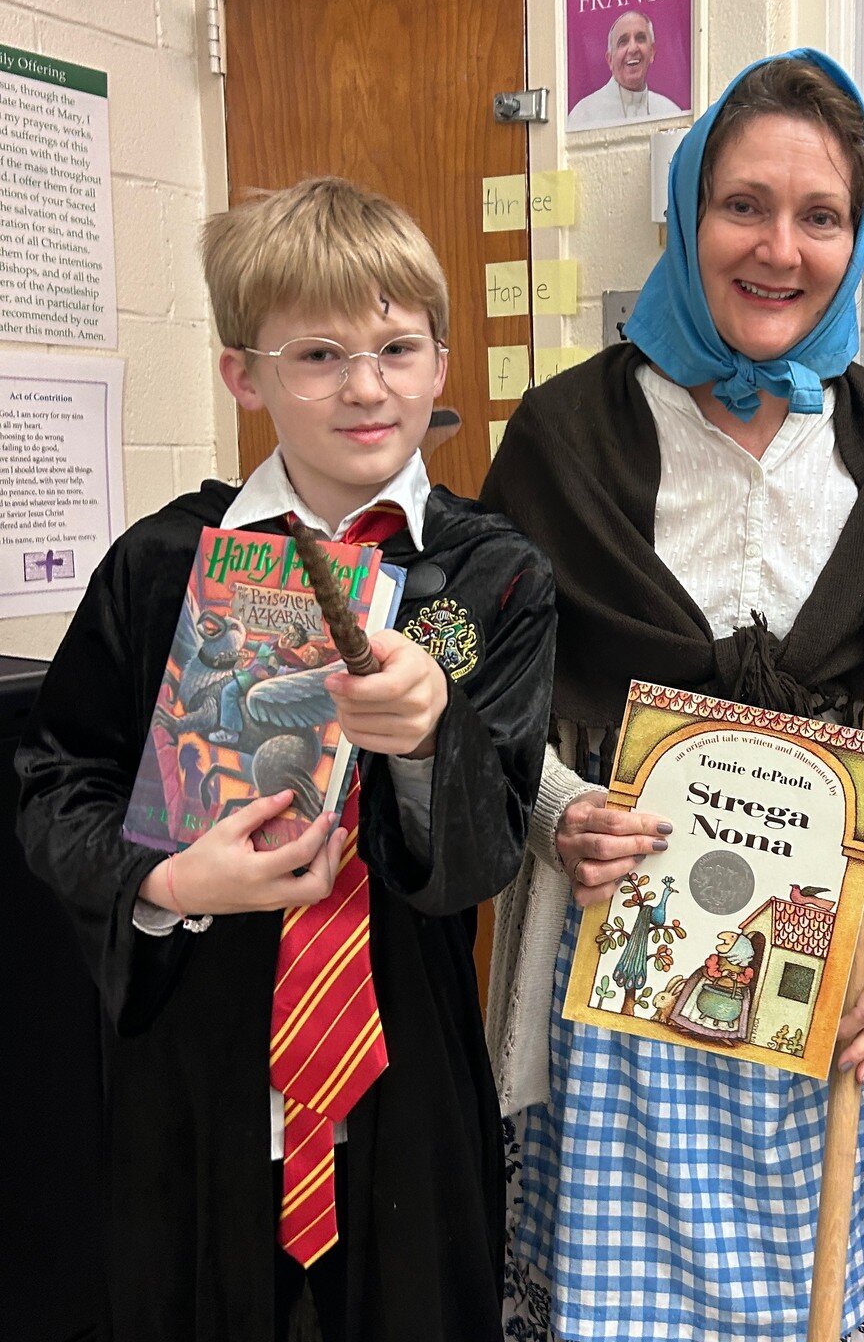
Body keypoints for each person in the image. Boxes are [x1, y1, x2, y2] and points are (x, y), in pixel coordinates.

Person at [15, 177, 556, 1342]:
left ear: (441, 361)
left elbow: (491, 846)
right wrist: (160, 885)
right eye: (317, 354)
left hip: (403, 1057)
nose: (366, 386)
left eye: (397, 347)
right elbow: (52, 780)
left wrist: (426, 744)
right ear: (242, 375)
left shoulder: (494, 576)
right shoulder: (162, 566)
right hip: (200, 1063)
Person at [482, 51, 864, 1339]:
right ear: (688, 213)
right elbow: (486, 692)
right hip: (616, 973)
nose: (780, 248)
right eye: (742, 204)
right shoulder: (564, 435)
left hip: (811, 971)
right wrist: (557, 815)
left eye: (822, 216)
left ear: (855, 239)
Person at [566, 8, 686, 130]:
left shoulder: (670, 112)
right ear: (610, 60)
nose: (633, 48)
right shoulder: (584, 114)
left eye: (640, 38)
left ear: (652, 52)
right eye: (623, 42)